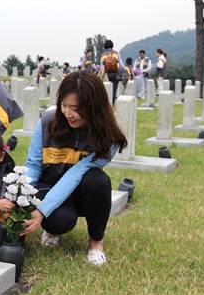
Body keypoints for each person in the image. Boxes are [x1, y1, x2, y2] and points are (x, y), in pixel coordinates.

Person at [22, 71, 127, 266]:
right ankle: (52, 230)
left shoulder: (108, 138)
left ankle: (96, 243)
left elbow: (76, 174)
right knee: (59, 221)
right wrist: (20, 196)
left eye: (76, 108)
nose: (68, 113)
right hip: (48, 187)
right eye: (64, 105)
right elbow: (33, 165)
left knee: (97, 180)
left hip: (80, 192)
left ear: (94, 108)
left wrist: (42, 211)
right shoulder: (47, 124)